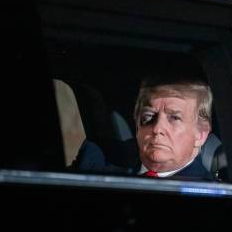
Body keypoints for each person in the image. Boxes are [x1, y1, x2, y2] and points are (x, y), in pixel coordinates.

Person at [73, 77, 216, 181]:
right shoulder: (98, 159)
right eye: (148, 116)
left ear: (200, 134)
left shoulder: (210, 196)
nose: (157, 128)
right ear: (137, 124)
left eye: (174, 118)